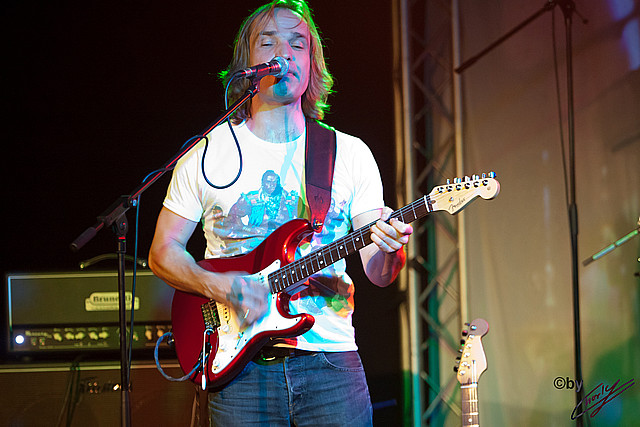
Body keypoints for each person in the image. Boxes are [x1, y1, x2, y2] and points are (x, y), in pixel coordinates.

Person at [148, 0, 413, 425]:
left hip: (331, 363)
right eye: (268, 42)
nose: (284, 53)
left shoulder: (348, 153)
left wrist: (392, 248)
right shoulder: (207, 153)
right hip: (238, 369)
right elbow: (163, 252)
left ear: (311, 63)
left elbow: (380, 273)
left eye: (298, 44)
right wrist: (218, 287)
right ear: (247, 62)